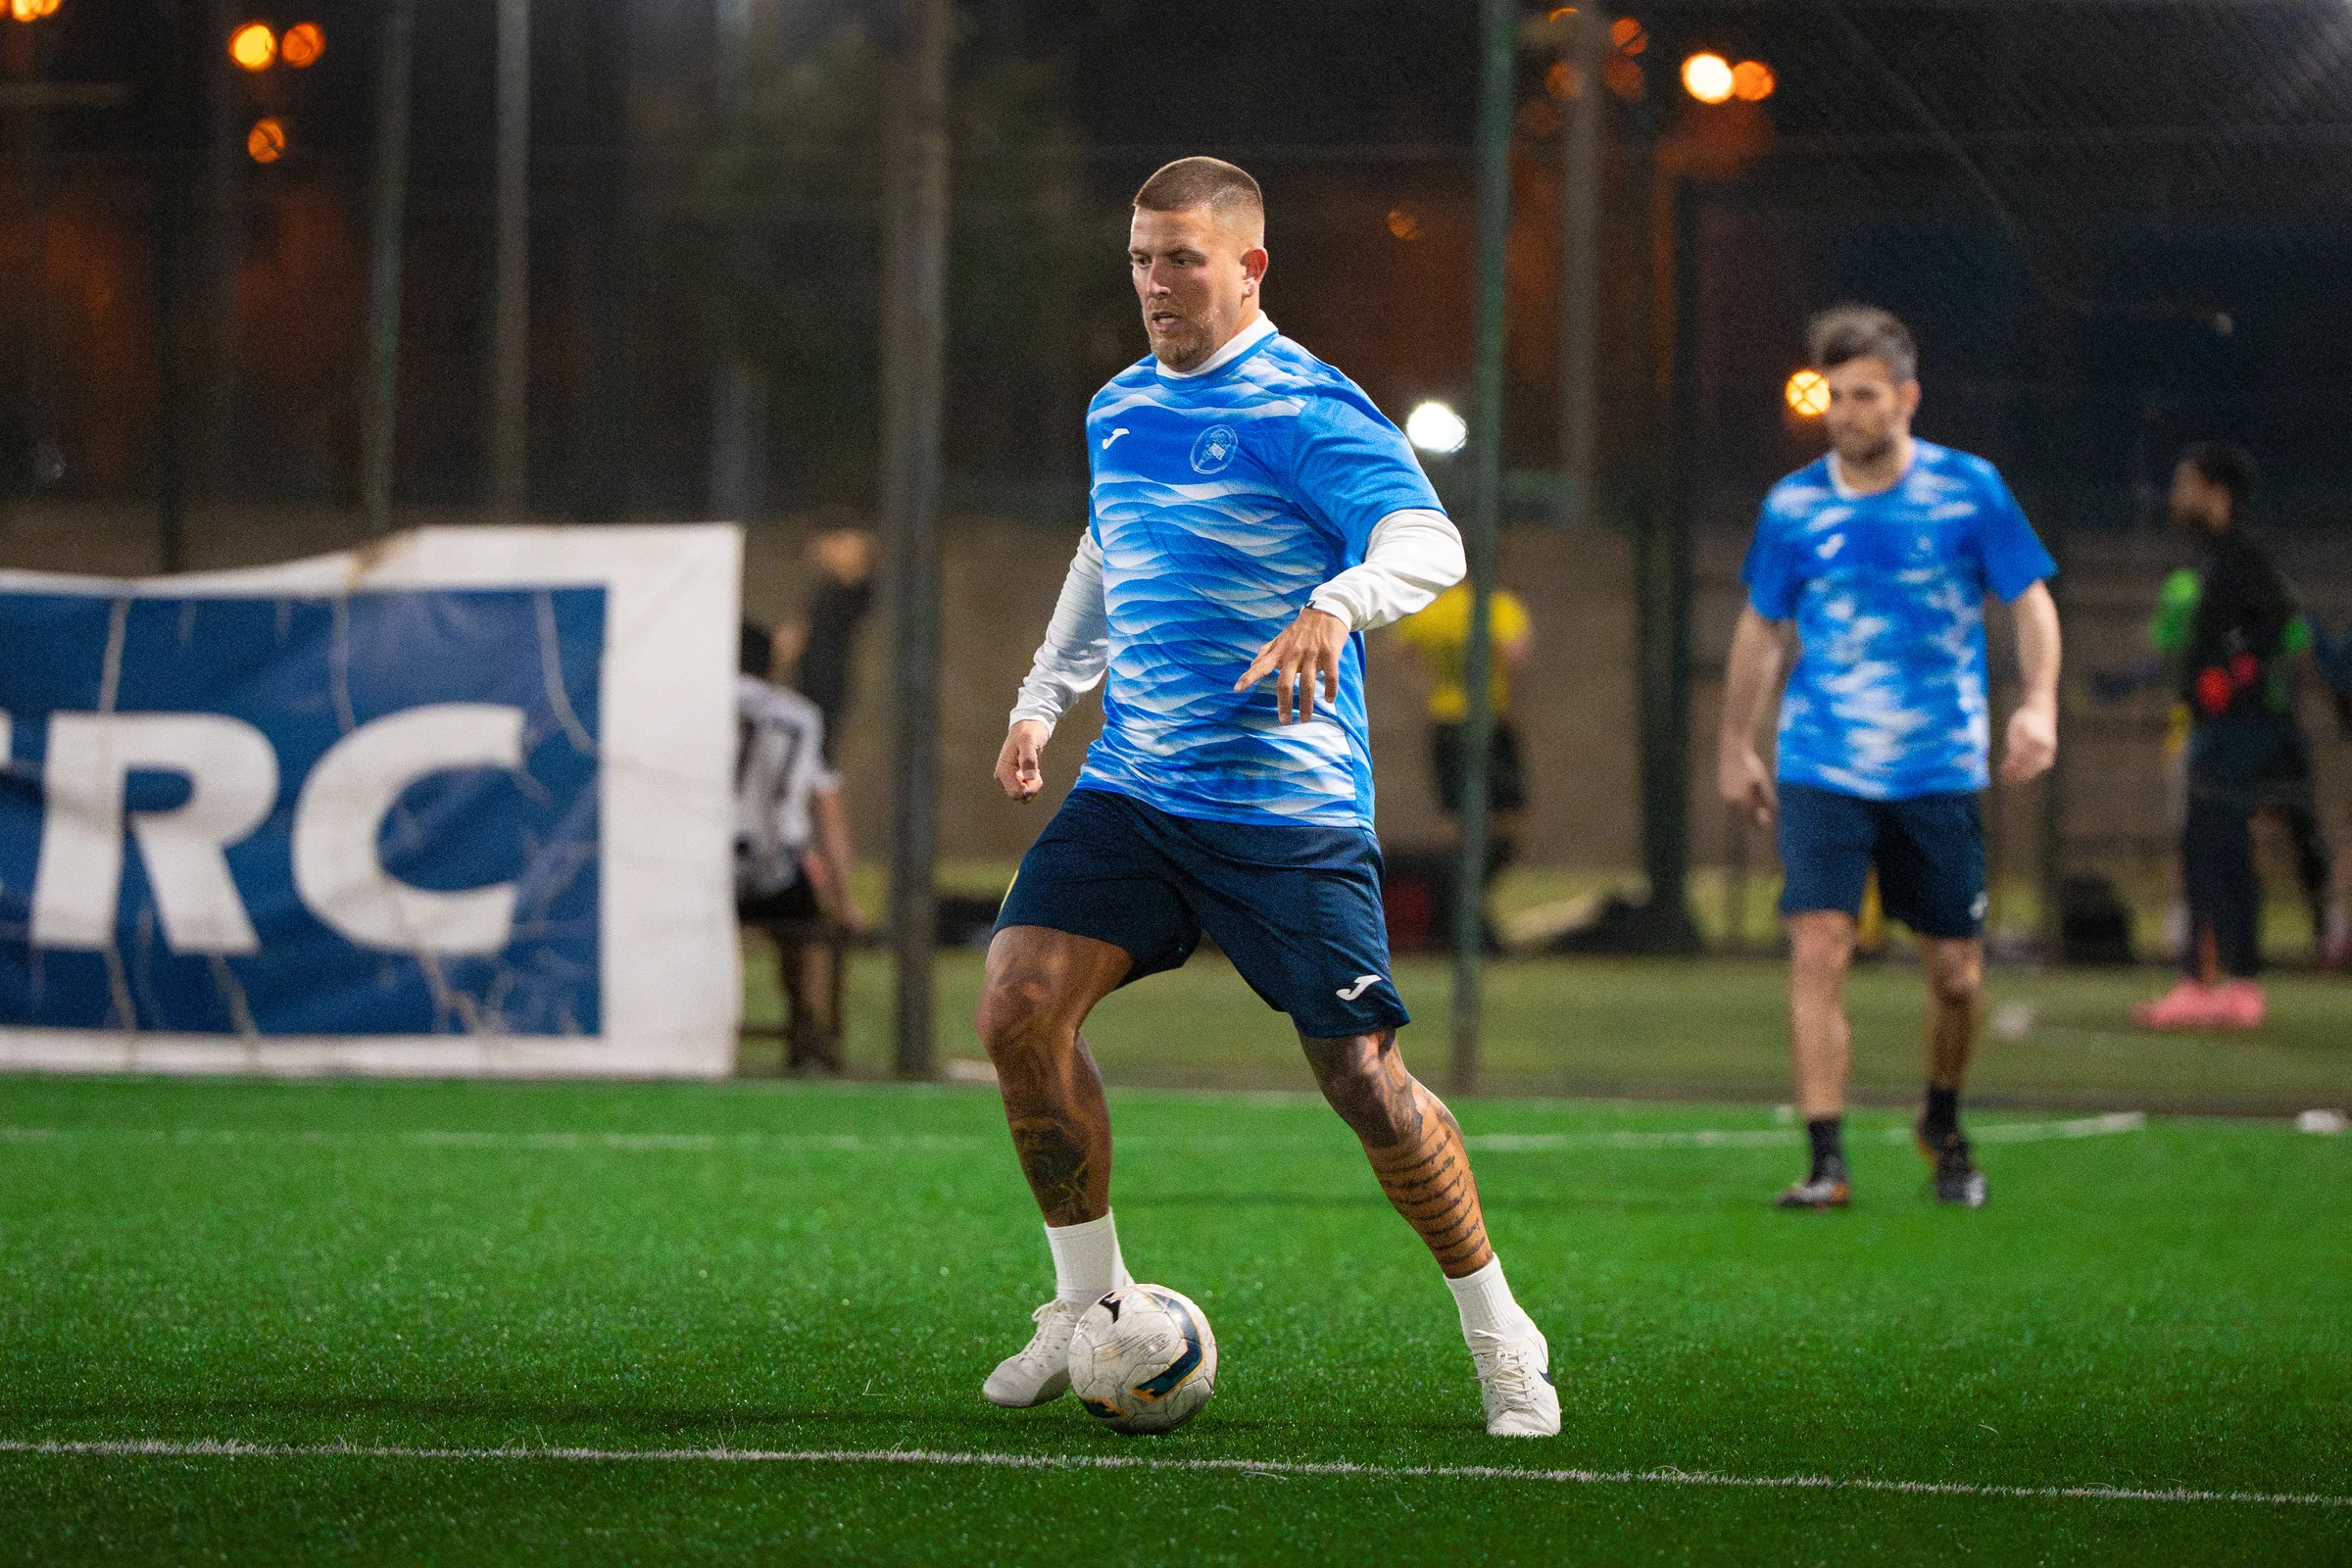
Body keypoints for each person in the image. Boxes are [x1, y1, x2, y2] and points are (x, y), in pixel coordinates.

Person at [975, 157, 1559, 1438]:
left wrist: (1334, 603)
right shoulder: (1120, 407)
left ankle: (1500, 1331)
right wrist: (1043, 695)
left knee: (1361, 1076)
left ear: (1249, 268)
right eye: (1141, 258)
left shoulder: (1307, 406)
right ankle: (1089, 1301)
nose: (1155, 283)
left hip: (1283, 807)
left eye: (1182, 259)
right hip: (1136, 787)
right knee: (1018, 1006)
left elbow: (1429, 542)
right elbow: (1107, 549)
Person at [1718, 304, 2061, 1212]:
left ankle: (1941, 1118)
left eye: (1865, 396)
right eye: (1834, 397)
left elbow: (2029, 602)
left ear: (1907, 398)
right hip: (1821, 764)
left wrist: (2039, 705)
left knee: (1956, 975)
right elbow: (1761, 629)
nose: (1846, 413)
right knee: (1818, 948)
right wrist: (1734, 746)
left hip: (1939, 769)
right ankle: (1825, 1160)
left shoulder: (1969, 490)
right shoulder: (1793, 506)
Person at [2132, 445, 2325, 1029]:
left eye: (2185, 484)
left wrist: (2235, 676)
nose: (2176, 497)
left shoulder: (2241, 557)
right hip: (2223, 729)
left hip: (2240, 732)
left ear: (2217, 493)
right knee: (2213, 852)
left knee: (2217, 851)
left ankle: (2221, 984)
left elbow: (2280, 628)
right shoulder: (2214, 560)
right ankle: (2222, 983)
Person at [735, 622, 861, 1074]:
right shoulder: (798, 713)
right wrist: (843, 896)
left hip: (706, 870)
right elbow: (826, 804)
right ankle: (808, 1032)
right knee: (809, 935)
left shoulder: (692, 704)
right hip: (775, 869)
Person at [1394, 582, 1534, 862]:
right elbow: (1514, 657)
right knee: (1506, 807)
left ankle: (1460, 875)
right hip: (1489, 717)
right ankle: (1490, 872)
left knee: (1454, 809)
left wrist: (1427, 687)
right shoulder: (1498, 607)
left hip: (1445, 720)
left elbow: (1404, 653)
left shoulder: (1428, 610)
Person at [791, 521, 874, 765]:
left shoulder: (854, 590)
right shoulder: (827, 591)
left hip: (827, 678)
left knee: (820, 750)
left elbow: (856, 577)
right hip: (811, 676)